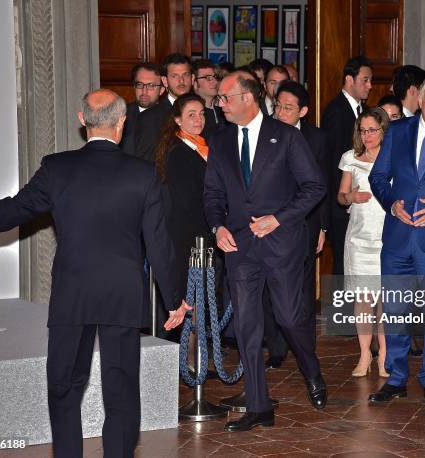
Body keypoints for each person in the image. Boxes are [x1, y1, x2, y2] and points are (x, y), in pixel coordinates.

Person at [0, 89, 190, 456]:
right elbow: (159, 244)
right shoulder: (142, 173)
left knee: (64, 389)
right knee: (121, 390)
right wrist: (174, 298)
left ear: (83, 121)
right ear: (122, 122)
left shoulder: (57, 168)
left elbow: (5, 214)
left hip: (73, 294)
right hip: (121, 295)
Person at [204, 71, 327, 432]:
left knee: (289, 318)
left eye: (225, 97)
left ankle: (312, 369)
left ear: (248, 98)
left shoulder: (286, 137)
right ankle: (258, 405)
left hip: (281, 243)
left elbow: (314, 186)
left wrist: (279, 218)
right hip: (239, 246)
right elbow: (212, 193)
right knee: (246, 324)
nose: (220, 104)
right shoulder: (221, 140)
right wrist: (218, 226)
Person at [369, 76, 425, 406]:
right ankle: (395, 377)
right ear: (420, 101)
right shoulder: (397, 131)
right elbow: (377, 177)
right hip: (397, 238)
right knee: (395, 310)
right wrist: (392, 202)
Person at [261, 80, 329, 368]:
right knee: (271, 287)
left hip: (306, 224)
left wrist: (323, 228)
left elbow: (323, 184)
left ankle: (305, 349)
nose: (280, 113)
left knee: (301, 291)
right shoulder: (265, 133)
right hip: (270, 226)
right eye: (277, 106)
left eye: (288, 108)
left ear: (303, 111)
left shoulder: (318, 139)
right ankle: (276, 348)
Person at [153, 93, 212, 331]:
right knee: (190, 296)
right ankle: (187, 362)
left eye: (202, 113)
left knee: (201, 295)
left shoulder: (202, 146)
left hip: (200, 232)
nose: (198, 119)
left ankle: (195, 359)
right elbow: (188, 199)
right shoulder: (178, 151)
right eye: (191, 115)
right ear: (177, 120)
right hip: (188, 236)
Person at [338, 108, 390, 378]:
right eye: (363, 130)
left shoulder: (393, 157)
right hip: (359, 238)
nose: (367, 135)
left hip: (386, 237)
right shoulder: (350, 157)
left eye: (372, 130)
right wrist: (351, 198)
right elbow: (341, 196)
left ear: (383, 130)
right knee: (363, 299)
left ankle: (384, 355)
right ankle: (363, 354)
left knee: (385, 300)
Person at [321, 56, 372, 275]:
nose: (369, 86)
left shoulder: (364, 110)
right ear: (349, 80)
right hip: (342, 202)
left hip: (362, 203)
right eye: (365, 80)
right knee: (344, 264)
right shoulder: (336, 110)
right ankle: (340, 309)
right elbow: (333, 162)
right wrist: (342, 198)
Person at [135, 53, 193, 162]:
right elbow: (146, 161)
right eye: (174, 76)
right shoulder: (150, 117)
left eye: (185, 75)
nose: (181, 81)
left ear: (192, 78)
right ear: (165, 81)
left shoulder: (204, 113)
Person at [119, 62, 164, 158]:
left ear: (161, 90)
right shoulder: (120, 115)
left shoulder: (169, 117)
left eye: (151, 85)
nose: (144, 91)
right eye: (139, 84)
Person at [192, 59, 227, 139]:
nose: (214, 82)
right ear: (194, 83)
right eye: (207, 78)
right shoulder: (192, 114)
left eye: (215, 77)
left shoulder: (223, 109)